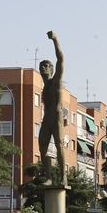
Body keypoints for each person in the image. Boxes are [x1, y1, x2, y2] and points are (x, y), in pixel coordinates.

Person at [38, 31, 67, 186]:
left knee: (59, 144)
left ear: (51, 69)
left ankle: (63, 176)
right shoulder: (43, 87)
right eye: (41, 66)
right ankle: (48, 176)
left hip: (56, 116)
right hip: (46, 117)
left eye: (45, 66)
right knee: (42, 143)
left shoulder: (56, 80)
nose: (43, 68)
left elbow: (61, 58)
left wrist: (55, 40)